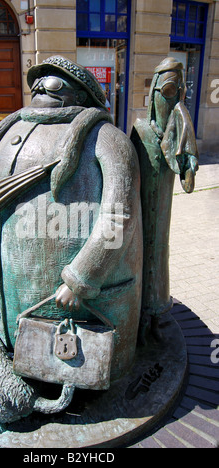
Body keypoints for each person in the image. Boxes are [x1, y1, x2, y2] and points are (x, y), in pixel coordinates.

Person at [0, 56, 143, 383]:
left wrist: (81, 276)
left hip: (74, 305)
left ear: (81, 95)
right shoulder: (7, 130)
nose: (40, 88)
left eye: (53, 83)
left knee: (70, 362)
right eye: (36, 83)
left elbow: (118, 213)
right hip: (7, 304)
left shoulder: (106, 138)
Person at [131, 57, 199, 343]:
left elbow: (186, 163)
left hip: (162, 217)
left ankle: (157, 313)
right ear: (155, 95)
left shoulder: (178, 128)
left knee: (159, 257)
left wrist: (190, 166)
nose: (173, 101)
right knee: (138, 260)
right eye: (168, 92)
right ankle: (137, 316)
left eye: (179, 93)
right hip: (139, 215)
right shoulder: (140, 131)